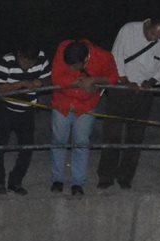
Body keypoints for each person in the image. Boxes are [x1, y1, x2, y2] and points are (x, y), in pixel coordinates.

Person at [98, 17, 160, 190]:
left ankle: (125, 177)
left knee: (135, 137)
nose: (154, 39)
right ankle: (106, 176)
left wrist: (150, 82)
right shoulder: (128, 30)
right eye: (152, 34)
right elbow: (116, 57)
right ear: (148, 24)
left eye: (158, 37)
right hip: (121, 89)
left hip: (143, 93)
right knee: (112, 134)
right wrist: (126, 82)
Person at [49, 39, 118, 195]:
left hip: (86, 107)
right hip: (62, 104)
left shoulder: (103, 57)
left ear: (85, 60)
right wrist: (79, 82)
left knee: (81, 143)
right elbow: (56, 78)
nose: (70, 69)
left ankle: (78, 182)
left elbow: (113, 78)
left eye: (74, 66)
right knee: (59, 141)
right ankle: (57, 179)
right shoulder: (64, 48)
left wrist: (94, 80)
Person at [0, 45, 50, 195]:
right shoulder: (7, 60)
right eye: (24, 61)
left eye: (31, 63)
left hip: (27, 110)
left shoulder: (42, 58)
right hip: (5, 109)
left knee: (27, 147)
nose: (27, 66)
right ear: (19, 54)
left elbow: (50, 79)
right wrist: (22, 84)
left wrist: (41, 82)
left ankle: (15, 181)